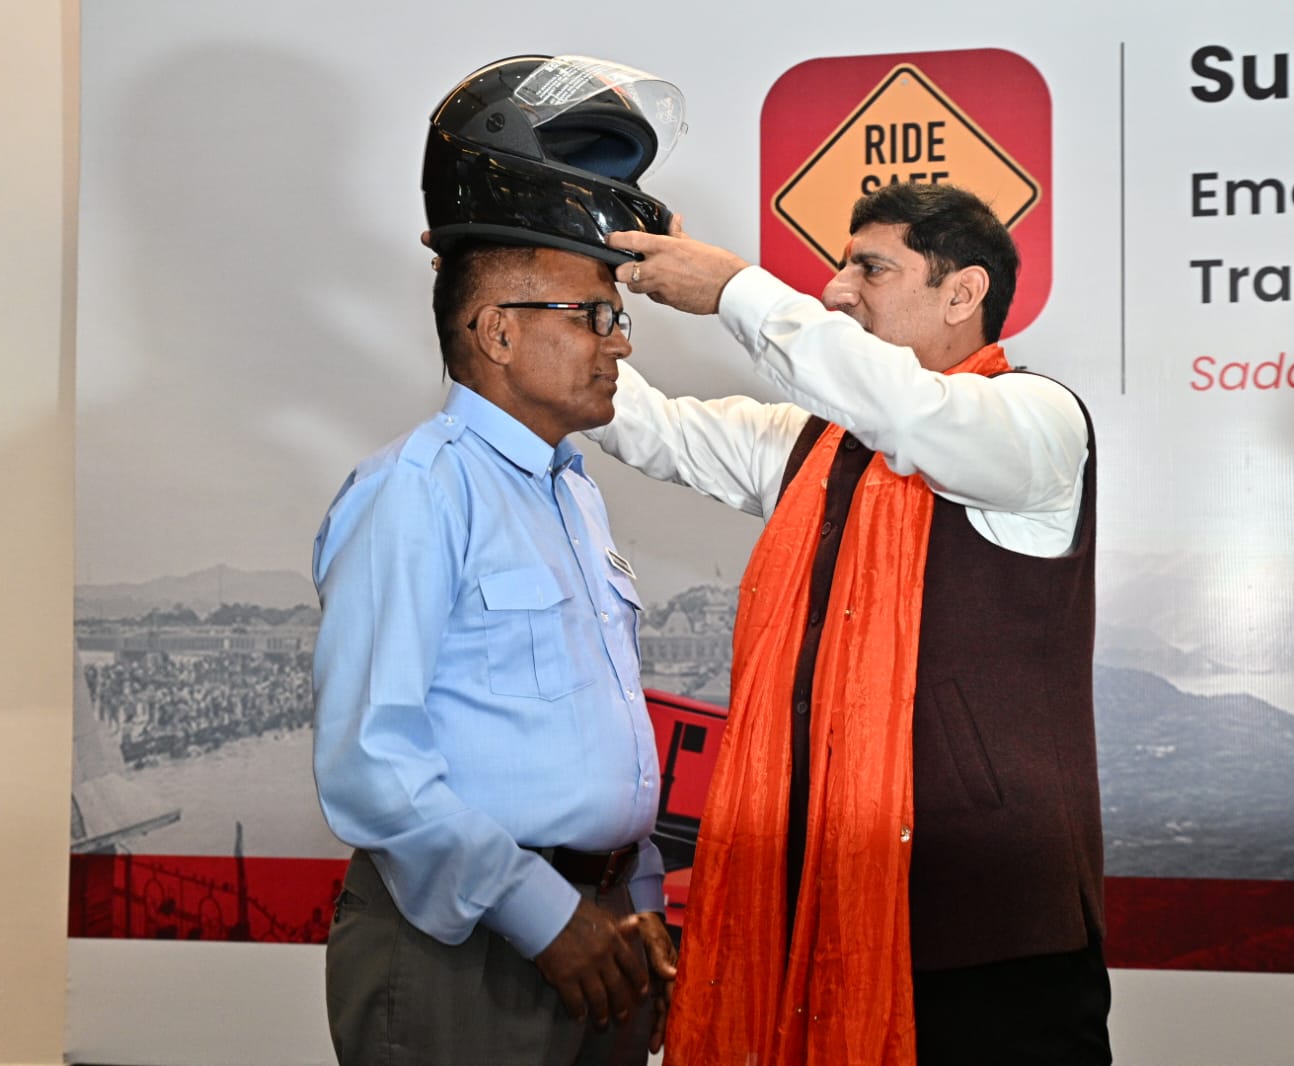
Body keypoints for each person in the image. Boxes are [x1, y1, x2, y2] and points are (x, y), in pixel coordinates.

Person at [591, 181, 1110, 1064]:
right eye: (840, 267)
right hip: (817, 904)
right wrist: (560, 290)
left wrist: (732, 289)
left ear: (963, 292)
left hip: (991, 939)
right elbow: (646, 424)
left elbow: (906, 412)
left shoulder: (1034, 422)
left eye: (871, 268)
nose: (836, 290)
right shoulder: (814, 443)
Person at [311, 55, 686, 1065]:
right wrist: (544, 915)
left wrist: (637, 901)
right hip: (467, 949)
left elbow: (597, 733)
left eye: (618, 315)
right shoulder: (415, 491)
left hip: (600, 936)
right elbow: (371, 764)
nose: (619, 343)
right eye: (593, 314)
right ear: (497, 333)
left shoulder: (573, 492)